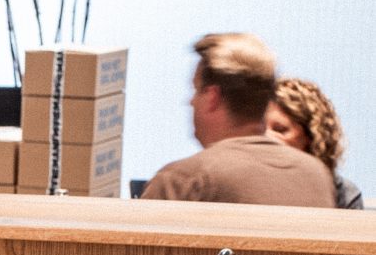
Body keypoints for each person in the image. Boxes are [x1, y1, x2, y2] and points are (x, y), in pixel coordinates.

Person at [142, 34, 337, 208]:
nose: (191, 101)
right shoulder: (317, 176)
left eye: (195, 90)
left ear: (212, 97)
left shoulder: (182, 182)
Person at [266, 75, 365, 210]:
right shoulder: (244, 182)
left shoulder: (343, 195)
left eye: (280, 130)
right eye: (260, 129)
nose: (266, 137)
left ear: (311, 137)